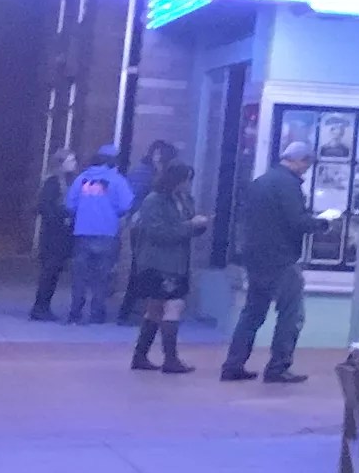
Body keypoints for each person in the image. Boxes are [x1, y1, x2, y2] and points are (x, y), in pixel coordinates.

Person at [221, 140, 320, 382]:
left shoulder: (260, 182)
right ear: (299, 160)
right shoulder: (288, 185)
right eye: (306, 165)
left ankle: (233, 364)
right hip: (281, 258)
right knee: (291, 313)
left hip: (255, 258)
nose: (305, 170)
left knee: (252, 312)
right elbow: (297, 221)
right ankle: (278, 367)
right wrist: (322, 223)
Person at [126, 160, 206, 374]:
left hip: (178, 262)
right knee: (174, 306)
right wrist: (190, 225)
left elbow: (186, 225)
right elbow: (159, 233)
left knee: (155, 307)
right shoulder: (154, 201)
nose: (188, 185)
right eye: (186, 180)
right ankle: (170, 358)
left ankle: (140, 355)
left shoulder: (184, 199)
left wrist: (199, 225)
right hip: (158, 262)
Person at [63, 145, 134, 323]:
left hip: (82, 233)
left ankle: (75, 313)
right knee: (102, 277)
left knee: (80, 276)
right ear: (113, 161)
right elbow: (126, 205)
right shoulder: (117, 180)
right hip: (107, 233)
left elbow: (70, 204)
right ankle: (97, 313)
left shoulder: (81, 179)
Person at [28, 149, 79, 320]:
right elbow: (45, 205)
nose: (74, 163)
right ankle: (40, 307)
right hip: (53, 235)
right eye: (71, 160)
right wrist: (60, 218)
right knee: (49, 271)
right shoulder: (53, 182)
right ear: (61, 163)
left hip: (61, 234)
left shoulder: (68, 181)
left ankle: (44, 306)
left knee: (54, 272)